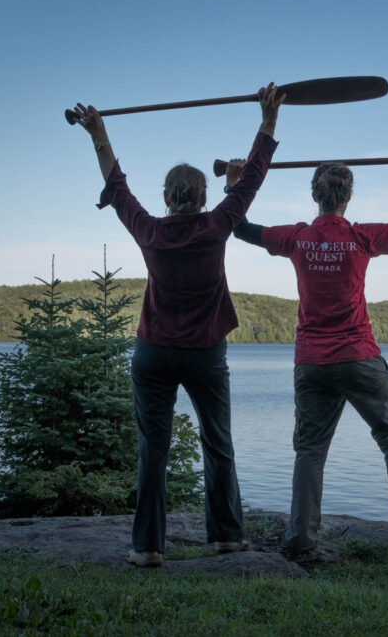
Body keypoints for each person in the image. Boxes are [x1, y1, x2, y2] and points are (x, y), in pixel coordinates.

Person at [71, 83, 285, 568]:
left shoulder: (149, 231)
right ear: (205, 197)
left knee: (153, 451)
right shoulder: (218, 224)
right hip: (206, 353)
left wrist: (98, 133)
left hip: (154, 354)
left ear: (167, 198)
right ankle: (227, 537)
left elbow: (118, 186)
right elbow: (252, 177)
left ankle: (147, 547)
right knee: (218, 443)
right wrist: (268, 120)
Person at [225, 151, 388, 555]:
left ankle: (302, 536)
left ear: (314, 195)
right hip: (359, 357)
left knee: (310, 450)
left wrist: (234, 184)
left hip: (312, 362)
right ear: (348, 197)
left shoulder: (298, 237)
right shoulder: (361, 236)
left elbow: (240, 228)